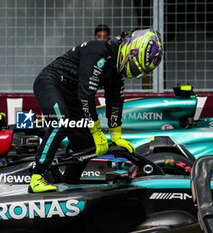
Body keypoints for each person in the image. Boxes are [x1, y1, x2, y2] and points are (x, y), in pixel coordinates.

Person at [29, 28, 163, 193]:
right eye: (135, 68)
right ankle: (37, 176)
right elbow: (86, 94)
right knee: (61, 122)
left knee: (85, 143)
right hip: (50, 83)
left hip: (72, 94)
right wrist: (97, 130)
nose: (132, 73)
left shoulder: (116, 69)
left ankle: (68, 184)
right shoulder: (98, 52)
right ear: (129, 52)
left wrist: (116, 135)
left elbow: (115, 102)